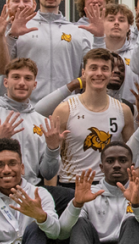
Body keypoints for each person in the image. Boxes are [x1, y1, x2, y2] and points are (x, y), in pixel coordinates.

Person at [7, 0, 94, 104]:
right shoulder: (21, 29)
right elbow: (4, 67)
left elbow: (91, 69)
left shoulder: (77, 32)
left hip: (67, 109)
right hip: (28, 109)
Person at [0, 58, 63, 190]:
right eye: (16, 77)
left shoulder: (41, 122)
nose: (22, 83)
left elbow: (48, 173)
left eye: (28, 78)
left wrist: (52, 149)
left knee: (69, 197)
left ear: (34, 84)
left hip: (30, 192)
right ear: (6, 82)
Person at [53, 48, 134, 186]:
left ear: (110, 73)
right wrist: (52, 193)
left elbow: (133, 155)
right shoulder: (65, 109)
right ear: (83, 72)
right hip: (72, 183)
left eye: (104, 69)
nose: (99, 73)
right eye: (93, 68)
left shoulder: (123, 110)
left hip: (109, 185)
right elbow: (52, 156)